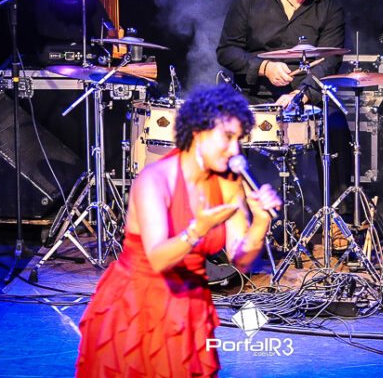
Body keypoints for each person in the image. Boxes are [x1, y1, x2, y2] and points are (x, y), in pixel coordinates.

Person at [76, 85, 282, 377]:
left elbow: (240, 260)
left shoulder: (228, 181)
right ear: (198, 131)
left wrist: (260, 222)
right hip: (137, 305)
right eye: (227, 137)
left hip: (189, 305)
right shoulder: (155, 179)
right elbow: (159, 259)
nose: (235, 150)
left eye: (239, 139)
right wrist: (197, 230)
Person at [216, 0, 352, 248]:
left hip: (304, 97)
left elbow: (331, 61)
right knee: (220, 131)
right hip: (254, 97)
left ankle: (334, 217)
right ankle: (235, 219)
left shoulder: (329, 6)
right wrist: (263, 67)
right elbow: (226, 51)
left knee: (336, 125)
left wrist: (300, 93)